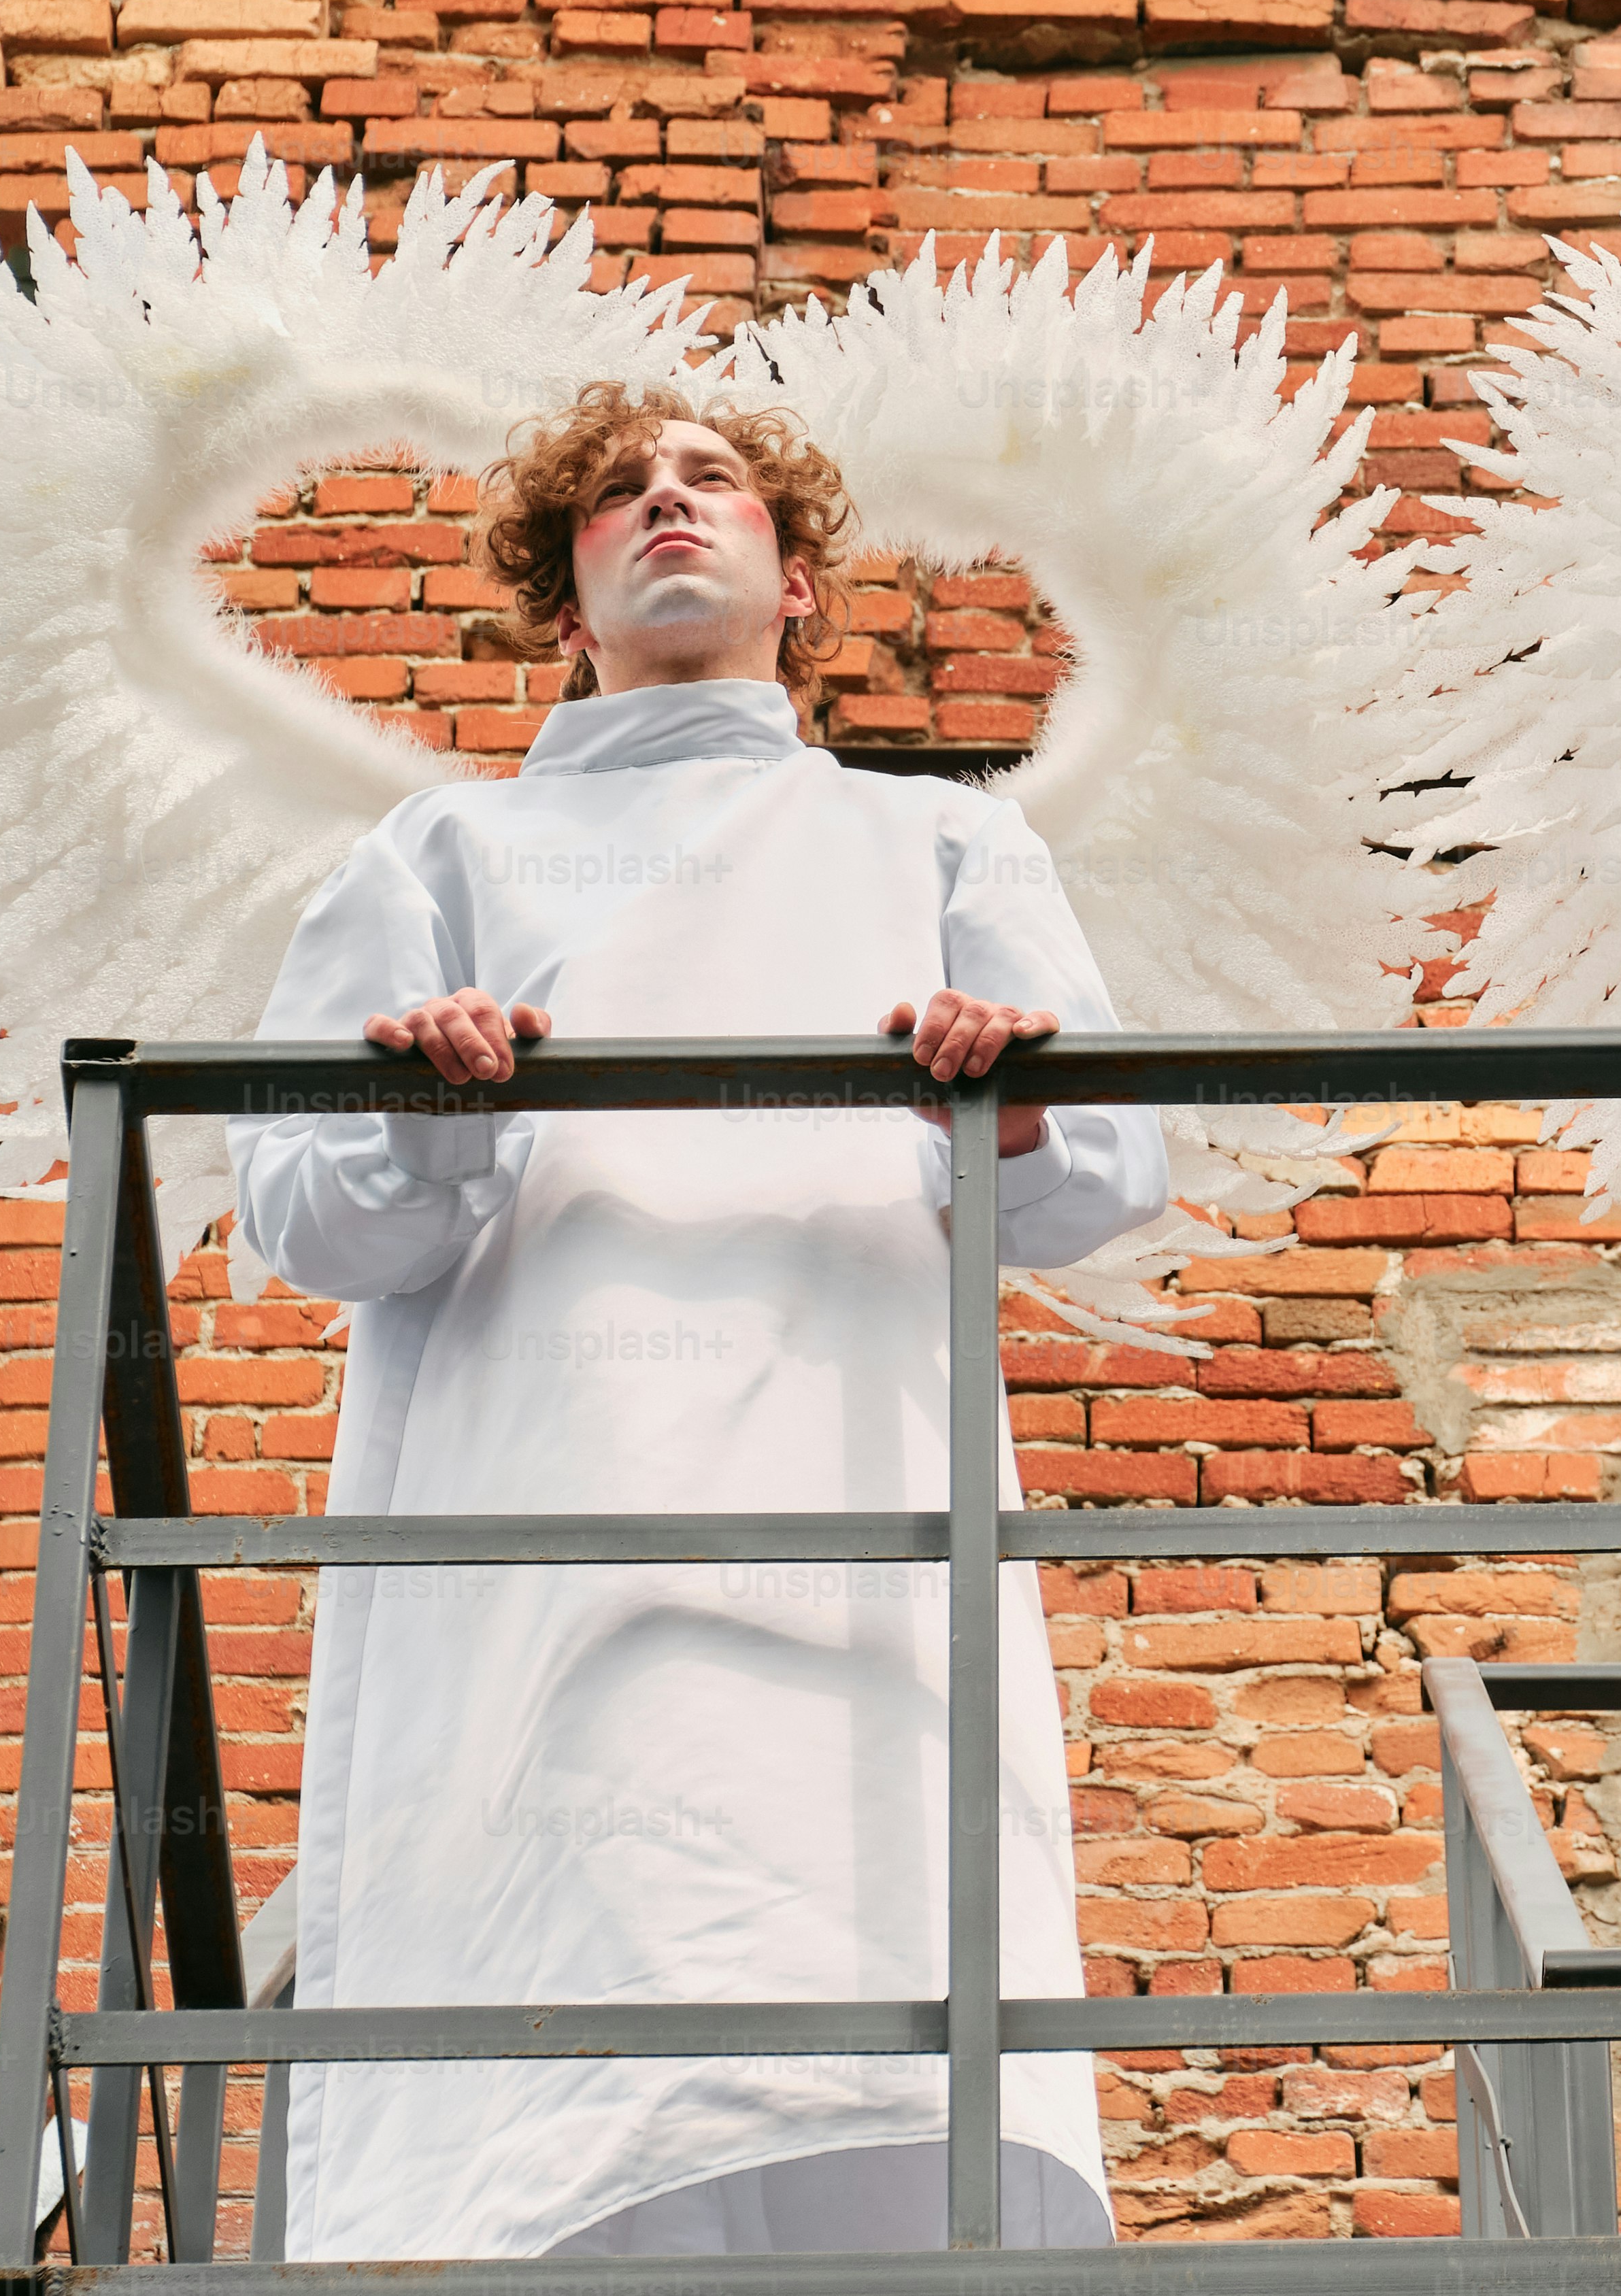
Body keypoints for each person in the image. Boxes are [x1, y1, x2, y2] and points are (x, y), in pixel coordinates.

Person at [233, 386, 1168, 2262]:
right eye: (614, 492)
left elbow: (1113, 1168)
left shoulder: (939, 846)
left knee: (882, 2006)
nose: (665, 498)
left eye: (710, 478)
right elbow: (299, 1210)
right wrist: (435, 1126)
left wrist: (1014, 1097)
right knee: (582, 2042)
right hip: (542, 1528)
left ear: (797, 577)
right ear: (564, 601)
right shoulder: (439, 853)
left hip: (860, 1525)